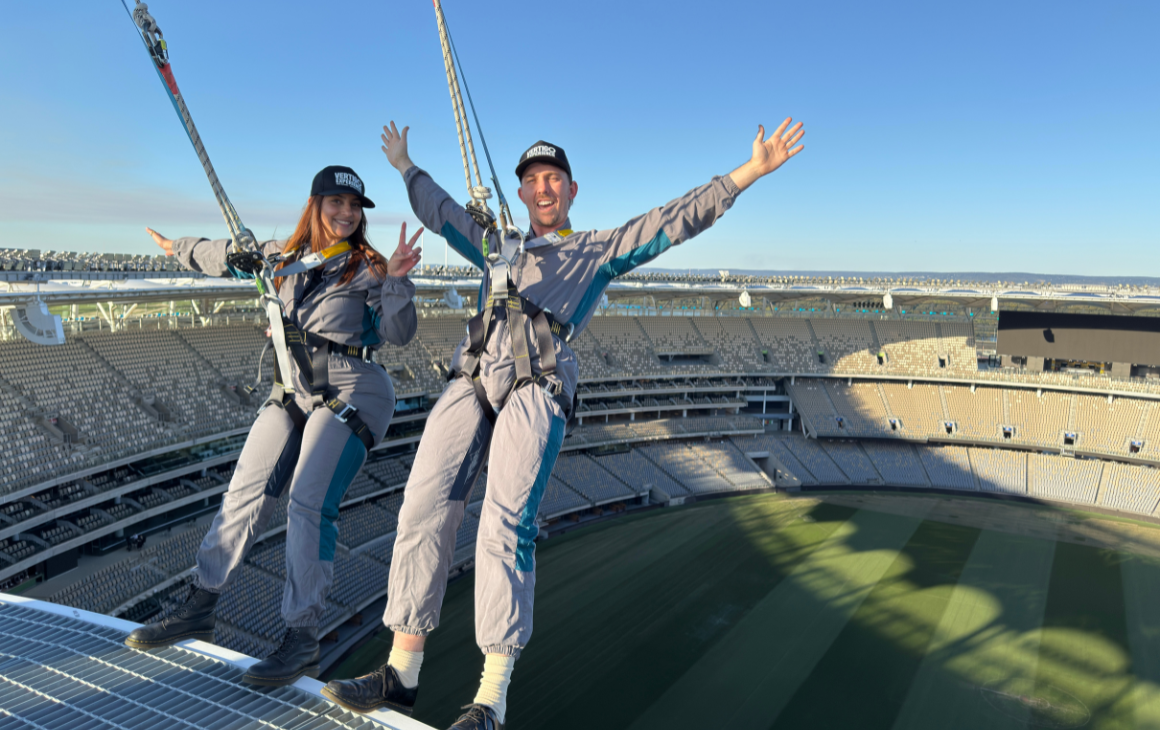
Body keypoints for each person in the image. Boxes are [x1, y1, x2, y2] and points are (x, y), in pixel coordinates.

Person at [323, 120, 803, 729]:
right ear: (521, 195)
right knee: (421, 507)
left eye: (553, 179)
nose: (542, 188)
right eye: (532, 181)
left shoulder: (596, 249)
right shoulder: (499, 247)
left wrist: (748, 173)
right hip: (471, 375)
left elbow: (672, 220)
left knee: (503, 522)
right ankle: (401, 676)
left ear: (572, 191)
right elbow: (442, 213)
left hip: (536, 381)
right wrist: (405, 167)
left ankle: (490, 700)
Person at [124, 166, 423, 687]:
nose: (347, 214)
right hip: (292, 391)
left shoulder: (369, 268)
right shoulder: (281, 258)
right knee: (245, 491)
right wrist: (179, 246)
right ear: (315, 204)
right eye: (337, 203)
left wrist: (397, 281)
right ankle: (201, 603)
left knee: (308, 501)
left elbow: (399, 334)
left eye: (355, 207)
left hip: (351, 391)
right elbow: (226, 253)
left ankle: (302, 639)